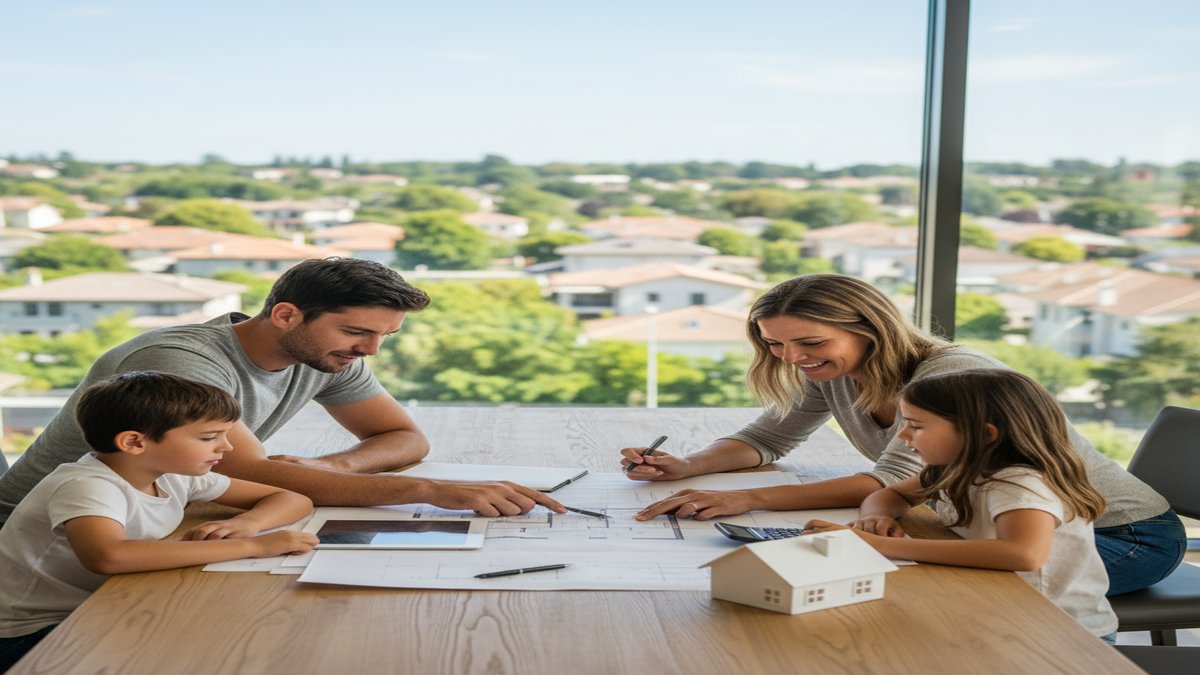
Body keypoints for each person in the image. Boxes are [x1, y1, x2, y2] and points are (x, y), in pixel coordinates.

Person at [624, 274, 1185, 595]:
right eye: (775, 345)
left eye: (810, 343)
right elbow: (768, 439)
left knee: (914, 584)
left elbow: (888, 477)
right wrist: (689, 465)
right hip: (996, 520)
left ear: (870, 330)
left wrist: (746, 499)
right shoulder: (834, 372)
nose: (791, 358)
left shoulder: (950, 379)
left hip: (1124, 534)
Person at [0, 257, 565, 527]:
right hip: (55, 533)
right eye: (357, 332)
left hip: (159, 514)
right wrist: (432, 491)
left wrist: (335, 466)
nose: (370, 350)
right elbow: (258, 473)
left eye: (383, 336)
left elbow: (403, 437)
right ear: (287, 315)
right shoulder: (180, 363)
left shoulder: (327, 354)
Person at [0, 372, 318, 670]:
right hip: (27, 632)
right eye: (209, 437)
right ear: (134, 443)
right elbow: (107, 555)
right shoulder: (87, 485)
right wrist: (252, 546)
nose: (227, 446)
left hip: (95, 604)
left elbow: (293, 499)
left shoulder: (173, 474)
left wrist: (247, 524)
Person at [803, 369, 1118, 642]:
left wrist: (880, 545)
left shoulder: (1020, 484)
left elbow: (1024, 554)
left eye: (916, 426)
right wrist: (877, 517)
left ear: (983, 434)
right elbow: (892, 494)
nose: (902, 435)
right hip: (1002, 605)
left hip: (1060, 631)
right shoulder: (956, 466)